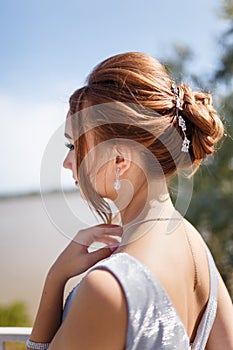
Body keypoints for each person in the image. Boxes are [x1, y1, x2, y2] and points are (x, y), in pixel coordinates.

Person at [27, 52, 233, 350]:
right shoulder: (195, 245)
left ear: (120, 158)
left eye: (74, 145)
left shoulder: (108, 288)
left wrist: (54, 280)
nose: (66, 162)